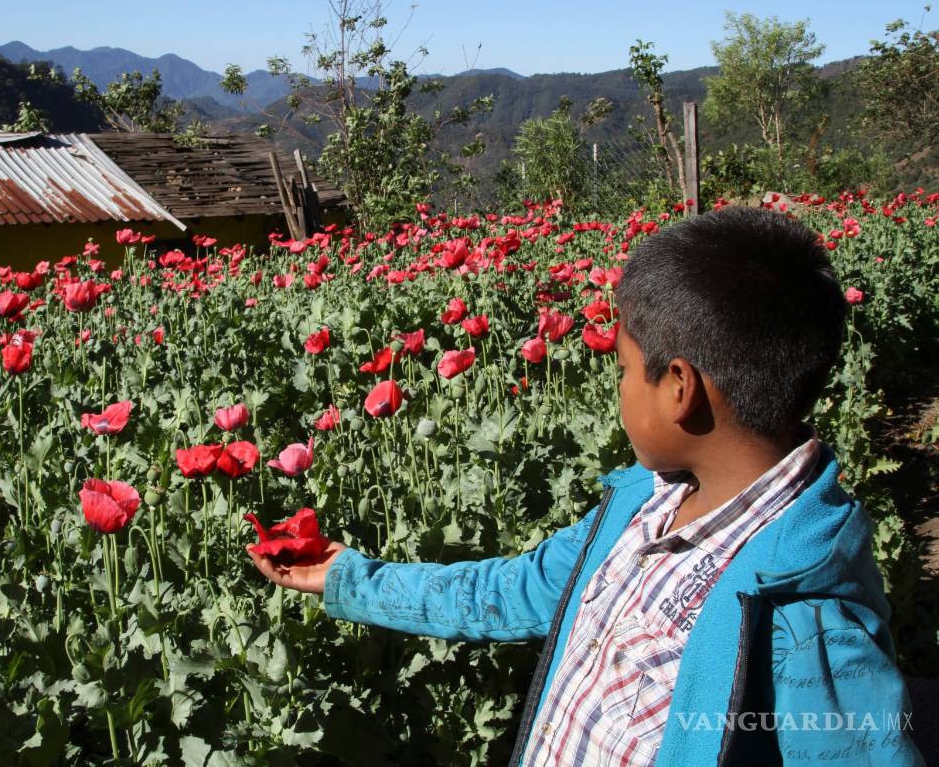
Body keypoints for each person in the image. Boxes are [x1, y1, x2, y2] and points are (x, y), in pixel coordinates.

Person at [246, 207, 924, 766]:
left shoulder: (806, 621)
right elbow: (509, 592)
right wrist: (347, 579)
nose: (618, 387)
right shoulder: (641, 505)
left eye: (624, 370)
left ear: (680, 389)